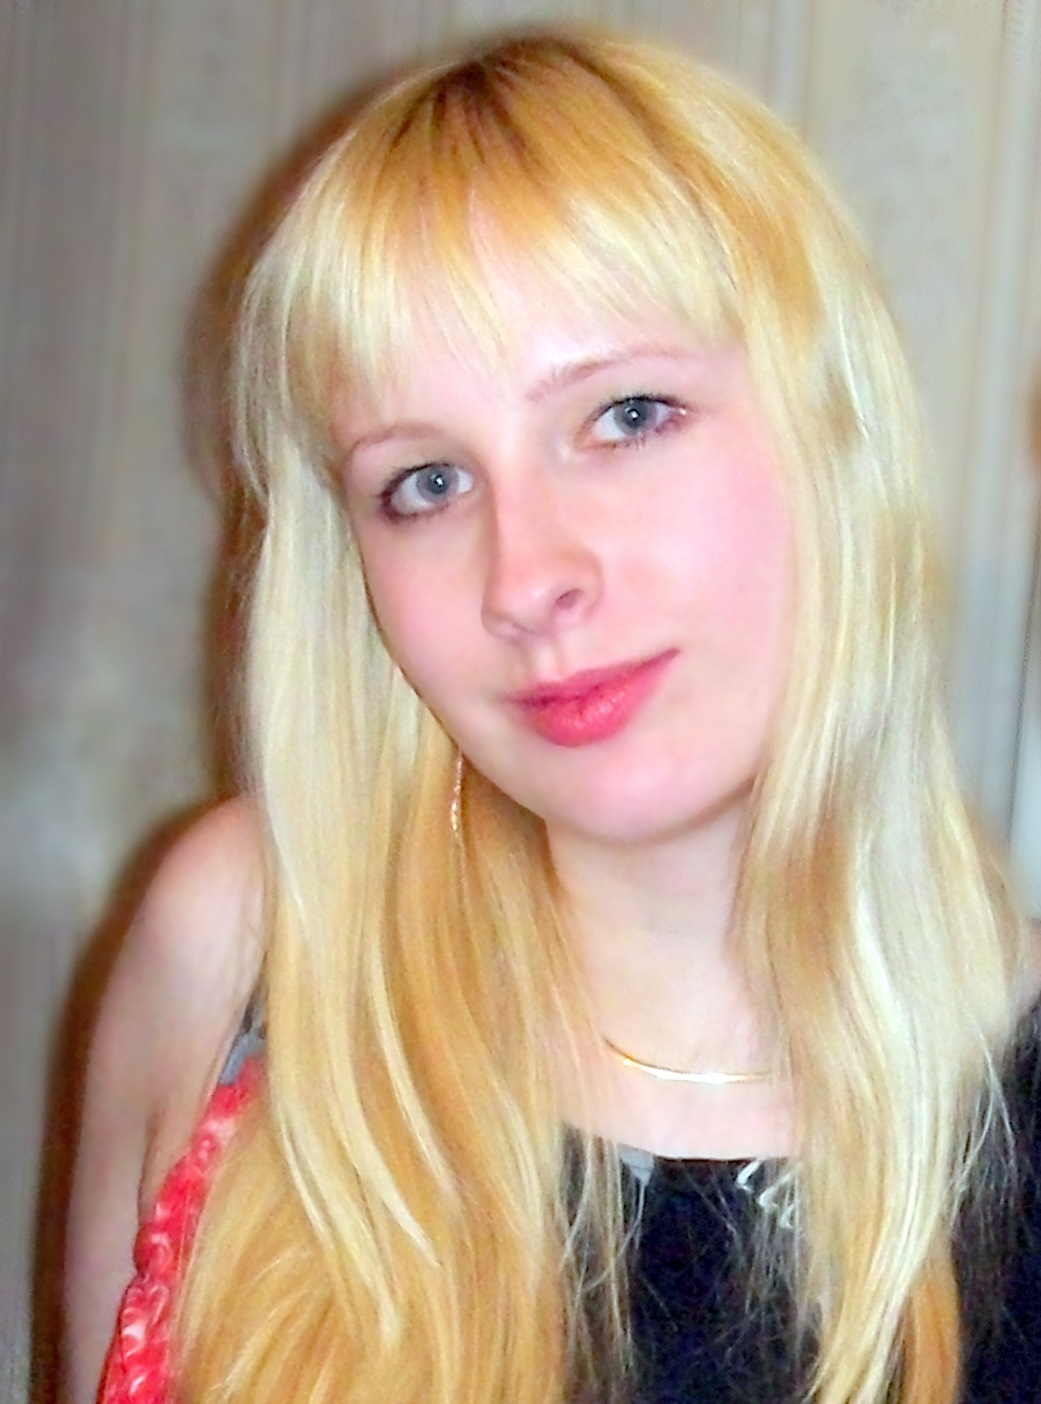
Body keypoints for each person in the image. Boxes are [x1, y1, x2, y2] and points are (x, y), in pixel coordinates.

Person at [64, 26, 1041, 1404]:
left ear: (833, 431)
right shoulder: (244, 945)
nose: (525, 580)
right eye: (425, 483)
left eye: (627, 415)